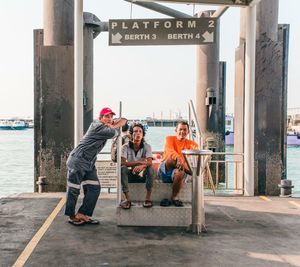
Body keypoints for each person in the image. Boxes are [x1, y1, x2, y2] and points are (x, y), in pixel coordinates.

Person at [65, 107, 127, 226]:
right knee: (74, 189)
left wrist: (114, 123)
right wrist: (114, 125)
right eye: (106, 116)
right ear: (100, 118)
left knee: (94, 188)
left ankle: (82, 213)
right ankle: (72, 216)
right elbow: (116, 132)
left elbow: (124, 120)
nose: (109, 119)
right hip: (78, 160)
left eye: (111, 117)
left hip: (89, 162)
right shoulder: (97, 126)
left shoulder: (106, 125)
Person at [158, 121, 198, 207]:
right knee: (171, 160)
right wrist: (179, 158)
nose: (182, 132)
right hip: (165, 171)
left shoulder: (191, 144)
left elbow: (197, 152)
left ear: (188, 132)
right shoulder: (169, 139)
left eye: (185, 130)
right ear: (176, 130)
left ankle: (174, 197)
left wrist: (205, 161)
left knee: (180, 171)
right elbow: (170, 151)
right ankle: (189, 171)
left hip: (178, 173)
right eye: (180, 129)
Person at [120, 123, 154, 209]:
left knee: (150, 169)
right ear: (131, 134)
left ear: (143, 135)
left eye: (140, 132)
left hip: (142, 174)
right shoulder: (125, 147)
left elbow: (150, 162)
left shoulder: (147, 146)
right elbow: (123, 163)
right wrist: (139, 163)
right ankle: (128, 199)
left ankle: (147, 198)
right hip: (131, 174)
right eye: (135, 131)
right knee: (123, 169)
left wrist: (142, 166)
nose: (138, 133)